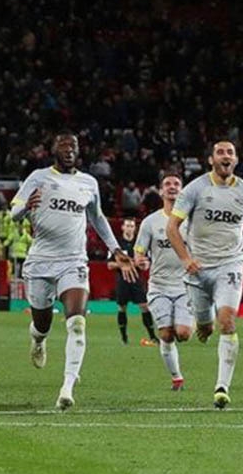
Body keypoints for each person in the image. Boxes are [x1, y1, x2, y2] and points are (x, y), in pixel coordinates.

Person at [10, 132, 137, 411]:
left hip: (73, 262)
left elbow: (97, 217)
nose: (69, 150)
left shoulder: (88, 183)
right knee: (42, 324)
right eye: (63, 145)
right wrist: (25, 207)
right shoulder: (38, 177)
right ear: (53, 150)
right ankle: (38, 340)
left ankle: (67, 387)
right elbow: (13, 211)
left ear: (78, 152)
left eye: (73, 146)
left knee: (77, 323)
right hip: (41, 262)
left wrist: (115, 249)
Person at [166, 139, 243, 410]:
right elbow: (172, 227)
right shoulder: (194, 189)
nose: (225, 156)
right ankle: (204, 323)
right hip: (198, 269)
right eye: (220, 152)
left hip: (230, 265)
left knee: (227, 320)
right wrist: (185, 258)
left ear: (236, 160)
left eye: (230, 152)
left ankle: (222, 387)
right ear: (211, 160)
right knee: (205, 327)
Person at [134, 173, 192, 391]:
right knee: (166, 334)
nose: (172, 187)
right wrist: (140, 261)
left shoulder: (192, 222)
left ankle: (199, 317)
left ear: (182, 191)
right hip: (159, 286)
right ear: (160, 191)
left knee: (183, 334)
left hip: (186, 286)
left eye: (176, 184)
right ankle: (177, 377)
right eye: (167, 184)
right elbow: (139, 251)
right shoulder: (150, 222)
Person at [109, 217, 157, 345]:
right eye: (127, 226)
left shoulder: (139, 244)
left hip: (137, 280)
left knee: (144, 306)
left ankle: (152, 336)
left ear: (135, 229)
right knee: (122, 307)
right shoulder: (117, 246)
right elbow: (109, 265)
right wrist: (124, 264)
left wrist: (143, 264)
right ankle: (124, 337)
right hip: (122, 280)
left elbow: (146, 262)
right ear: (123, 227)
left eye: (132, 226)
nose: (129, 228)